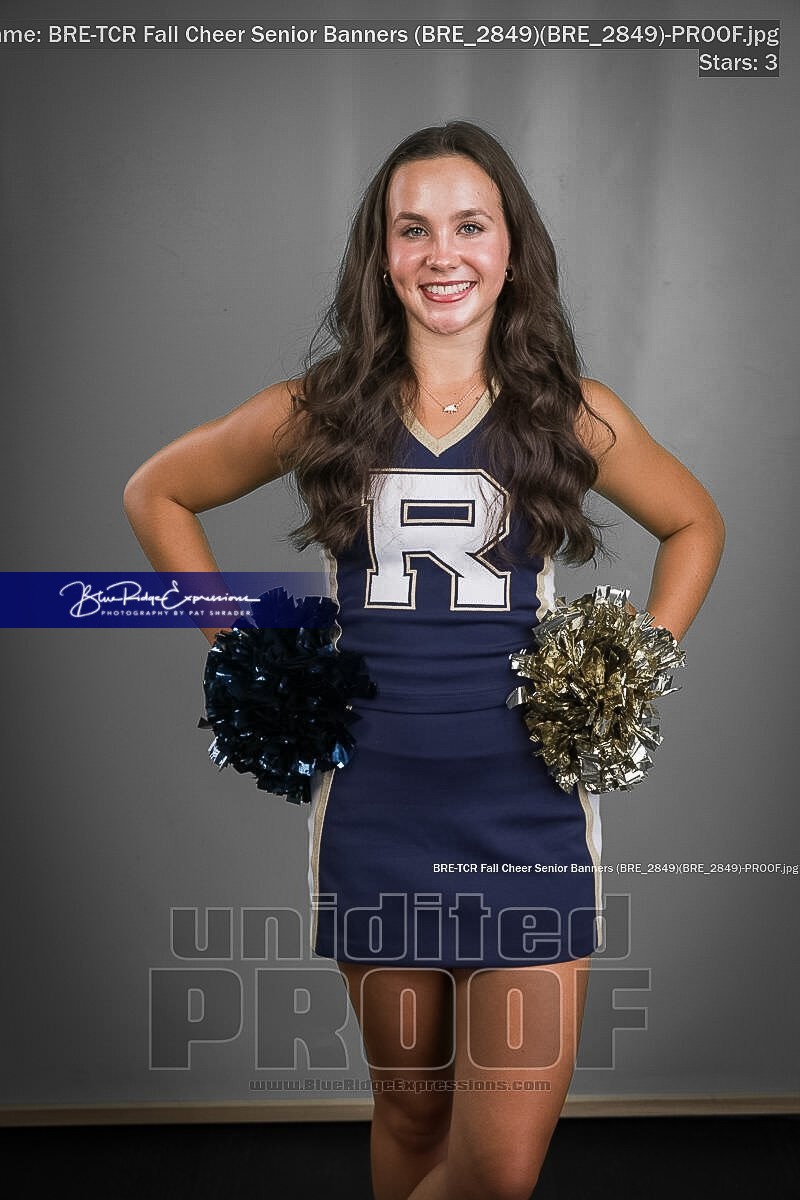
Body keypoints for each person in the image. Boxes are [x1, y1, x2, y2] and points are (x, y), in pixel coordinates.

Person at [123, 121, 725, 1200]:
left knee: (496, 1171)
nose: (441, 254)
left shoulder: (569, 413)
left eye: (468, 225)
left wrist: (631, 667)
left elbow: (695, 524)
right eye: (412, 230)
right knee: (408, 1111)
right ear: (381, 255)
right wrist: (244, 656)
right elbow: (155, 493)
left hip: (526, 811)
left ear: (510, 248)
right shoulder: (322, 409)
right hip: (376, 803)